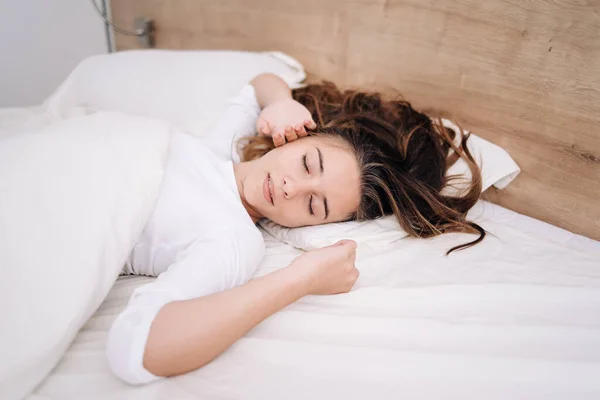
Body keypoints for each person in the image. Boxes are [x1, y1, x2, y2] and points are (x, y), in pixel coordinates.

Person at [107, 73, 483, 384]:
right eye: (308, 164)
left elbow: (138, 348)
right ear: (302, 135)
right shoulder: (219, 151)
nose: (292, 188)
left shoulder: (231, 240)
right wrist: (281, 102)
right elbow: (260, 83)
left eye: (313, 205)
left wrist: (300, 279)